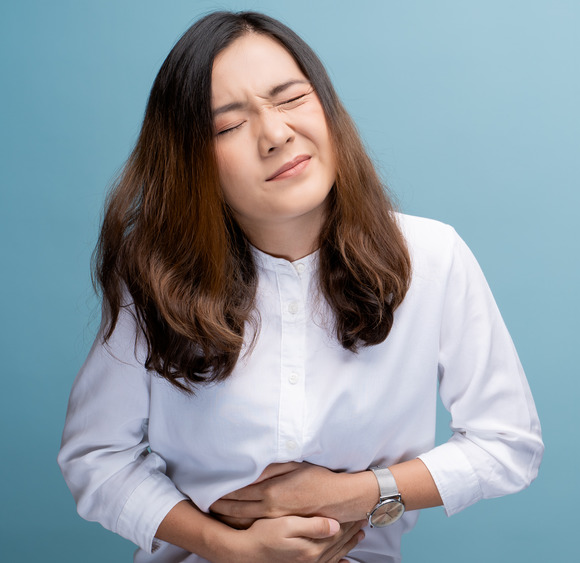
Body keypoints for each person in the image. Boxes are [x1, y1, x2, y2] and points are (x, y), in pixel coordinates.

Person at [57, 11, 543, 563]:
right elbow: (97, 456)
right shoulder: (155, 275)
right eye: (227, 125)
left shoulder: (432, 257)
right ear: (192, 162)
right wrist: (226, 546)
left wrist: (358, 496)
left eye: (290, 99)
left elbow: (508, 445)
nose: (275, 134)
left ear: (327, 108)